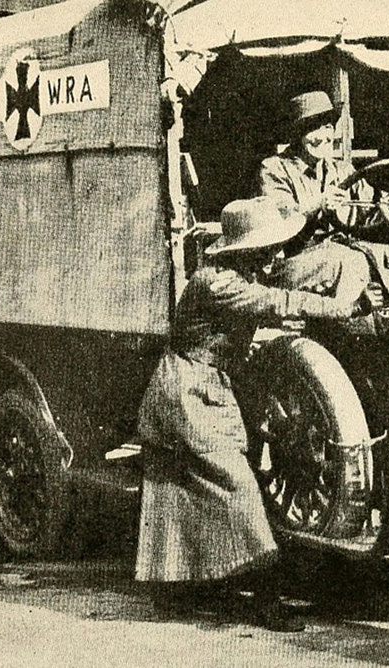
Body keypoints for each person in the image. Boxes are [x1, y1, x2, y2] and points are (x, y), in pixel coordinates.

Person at [134, 197, 369, 632]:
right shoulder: (218, 283)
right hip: (187, 390)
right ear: (244, 249)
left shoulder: (234, 273)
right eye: (268, 248)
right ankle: (266, 601)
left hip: (201, 386)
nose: (276, 255)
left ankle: (175, 591)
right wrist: (338, 307)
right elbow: (276, 301)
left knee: (180, 489)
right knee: (239, 487)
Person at [257, 91, 389, 301]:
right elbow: (279, 221)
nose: (322, 137)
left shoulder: (342, 170)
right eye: (312, 128)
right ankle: (346, 323)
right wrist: (319, 204)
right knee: (347, 261)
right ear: (296, 134)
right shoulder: (274, 169)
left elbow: (370, 210)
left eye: (327, 127)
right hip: (291, 259)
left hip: (338, 250)